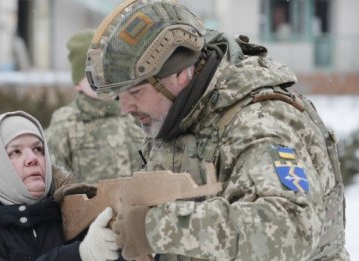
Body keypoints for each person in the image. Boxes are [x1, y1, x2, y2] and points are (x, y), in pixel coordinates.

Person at [85, 0, 350, 260]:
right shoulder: (177, 114)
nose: (126, 107)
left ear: (180, 74)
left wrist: (156, 228)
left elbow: (293, 228)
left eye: (135, 91)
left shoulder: (259, 120)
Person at [0, 111, 120, 261]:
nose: (32, 159)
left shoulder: (77, 210)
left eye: (38, 149)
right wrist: (80, 254)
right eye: (15, 152)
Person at [45, 29, 145, 184]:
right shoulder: (66, 123)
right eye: (94, 76)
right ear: (78, 84)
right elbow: (55, 181)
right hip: (90, 207)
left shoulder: (136, 114)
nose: (105, 80)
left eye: (110, 71)